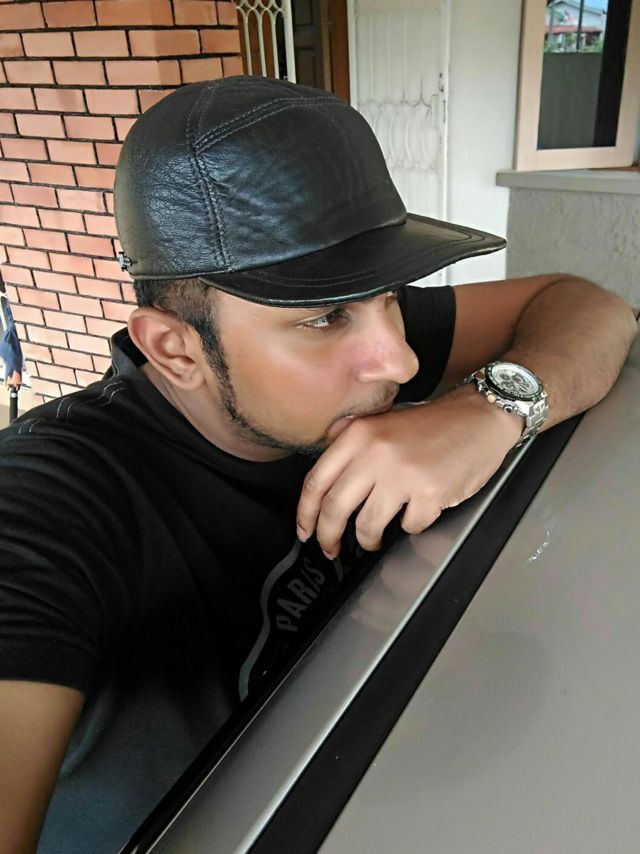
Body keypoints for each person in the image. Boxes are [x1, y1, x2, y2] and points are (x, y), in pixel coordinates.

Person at [0, 76, 635, 853]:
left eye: (391, 296)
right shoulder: (50, 503)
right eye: (327, 316)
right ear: (174, 348)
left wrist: (489, 409)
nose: (399, 359)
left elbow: (590, 308)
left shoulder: (343, 348)